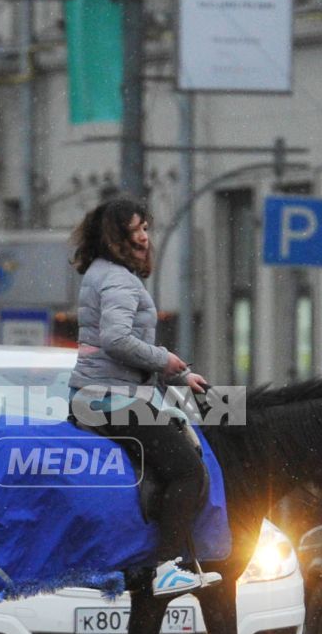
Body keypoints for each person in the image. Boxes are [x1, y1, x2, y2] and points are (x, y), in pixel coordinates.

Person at [67, 195, 219, 597]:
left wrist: (181, 375)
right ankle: (166, 566)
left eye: (146, 229)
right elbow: (116, 340)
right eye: (139, 230)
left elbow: (122, 352)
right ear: (119, 236)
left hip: (104, 394)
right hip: (111, 401)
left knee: (197, 432)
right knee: (188, 471)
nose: (146, 238)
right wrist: (166, 359)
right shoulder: (118, 279)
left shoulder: (103, 273)